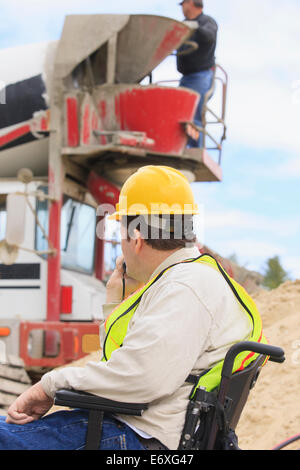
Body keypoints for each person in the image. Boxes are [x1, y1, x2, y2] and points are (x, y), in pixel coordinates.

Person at [0, 166, 265, 450]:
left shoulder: (184, 286)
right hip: (135, 429)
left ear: (136, 237)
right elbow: (123, 362)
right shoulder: (185, 279)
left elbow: (138, 378)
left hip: (137, 437)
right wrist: (116, 297)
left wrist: (48, 385)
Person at [177, 0, 218, 148]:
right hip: (187, 77)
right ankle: (181, 146)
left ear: (191, 3)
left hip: (201, 76)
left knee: (193, 114)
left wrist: (194, 27)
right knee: (180, 113)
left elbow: (209, 36)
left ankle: (193, 149)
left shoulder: (207, 22)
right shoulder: (183, 25)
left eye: (183, 3)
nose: (182, 7)